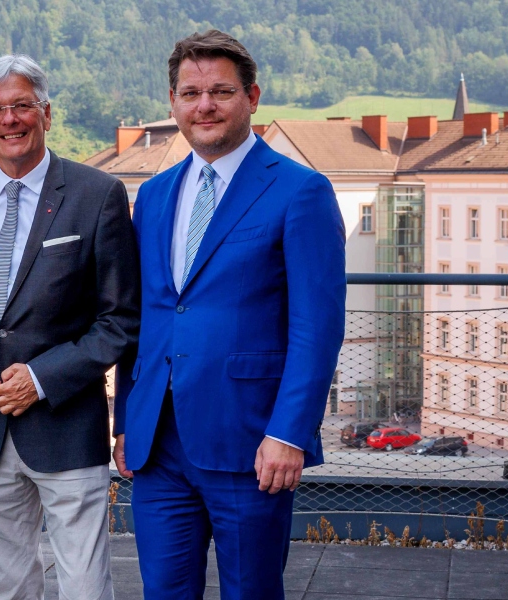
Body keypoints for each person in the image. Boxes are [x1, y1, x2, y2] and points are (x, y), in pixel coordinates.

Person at [112, 29, 345, 600]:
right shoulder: (157, 193)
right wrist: (124, 422)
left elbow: (318, 328)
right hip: (158, 443)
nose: (204, 105)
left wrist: (289, 432)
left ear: (252, 97)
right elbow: (143, 316)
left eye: (220, 91)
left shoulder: (301, 191)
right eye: (190, 93)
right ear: (173, 104)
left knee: (252, 593)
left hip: (251, 442)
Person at [0, 54, 139, 600]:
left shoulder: (98, 195)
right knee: (5, 588)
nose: (10, 119)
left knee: (85, 585)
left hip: (67, 424)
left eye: (22, 105)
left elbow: (119, 320)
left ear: (46, 113)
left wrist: (43, 377)